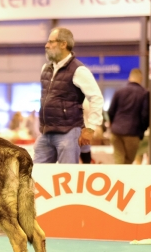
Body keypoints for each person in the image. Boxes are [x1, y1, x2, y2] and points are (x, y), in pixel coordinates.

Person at [33, 27, 104, 164]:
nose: (46, 45)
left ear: (63, 44)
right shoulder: (45, 68)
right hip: (45, 133)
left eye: (50, 42)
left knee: (67, 177)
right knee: (36, 176)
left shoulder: (79, 70)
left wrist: (91, 128)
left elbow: (96, 98)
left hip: (69, 133)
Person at [107, 68, 150, 164]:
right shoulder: (144, 93)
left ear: (130, 77)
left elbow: (111, 111)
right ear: (141, 78)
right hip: (133, 133)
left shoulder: (119, 91)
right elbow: (145, 115)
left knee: (118, 160)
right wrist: (142, 130)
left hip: (116, 132)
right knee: (128, 162)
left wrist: (112, 124)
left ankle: (117, 178)